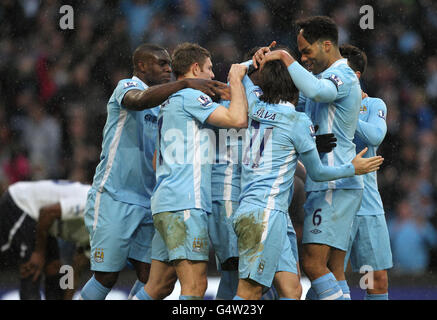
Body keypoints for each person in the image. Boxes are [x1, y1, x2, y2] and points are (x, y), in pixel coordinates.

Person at [79, 43, 229, 300]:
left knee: (153, 278)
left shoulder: (166, 103)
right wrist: (185, 84)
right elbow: (138, 102)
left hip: (150, 200)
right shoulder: (127, 87)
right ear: (141, 66)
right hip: (114, 196)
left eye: (169, 64)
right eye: (161, 64)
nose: (168, 69)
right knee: (107, 275)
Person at [231, 47, 383, 300]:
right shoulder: (296, 121)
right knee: (250, 292)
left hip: (255, 209)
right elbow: (318, 172)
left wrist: (257, 59)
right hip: (266, 213)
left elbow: (238, 71)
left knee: (292, 290)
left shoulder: (255, 105)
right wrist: (352, 168)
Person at [253, 15, 364, 300]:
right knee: (333, 269)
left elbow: (316, 92)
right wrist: (255, 67)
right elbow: (283, 101)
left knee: (313, 264)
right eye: (299, 53)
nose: (303, 58)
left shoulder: (342, 76)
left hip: (333, 181)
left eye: (306, 51)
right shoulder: (320, 79)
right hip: (333, 181)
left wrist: (285, 58)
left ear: (327, 45)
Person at [134, 42, 248, 300]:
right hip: (186, 202)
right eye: (208, 69)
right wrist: (237, 81)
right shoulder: (190, 96)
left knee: (158, 287)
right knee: (195, 288)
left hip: (165, 202)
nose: (211, 75)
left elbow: (155, 159)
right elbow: (238, 121)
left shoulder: (169, 101)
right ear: (195, 68)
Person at [340, 44, 393, 300]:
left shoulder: (373, 104)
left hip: (368, 204)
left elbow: (375, 135)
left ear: (356, 75)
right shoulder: (322, 103)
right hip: (335, 202)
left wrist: (347, 112)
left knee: (376, 280)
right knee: (329, 277)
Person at [0, 179, 90, 300]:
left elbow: (74, 272)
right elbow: (47, 213)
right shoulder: (91, 204)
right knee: (32, 268)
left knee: (54, 268)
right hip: (22, 204)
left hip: (45, 224)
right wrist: (39, 252)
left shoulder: (102, 238)